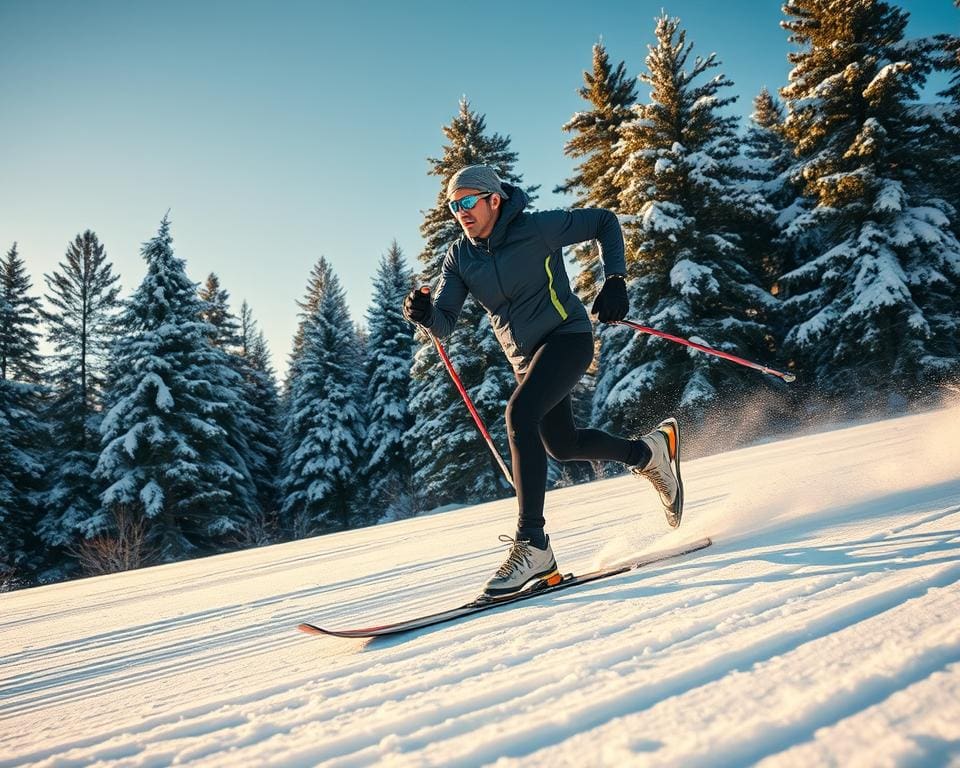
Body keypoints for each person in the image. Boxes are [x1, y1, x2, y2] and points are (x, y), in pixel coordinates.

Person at [403, 164, 683, 598]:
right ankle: (647, 452)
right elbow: (444, 322)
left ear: (494, 200)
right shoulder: (460, 257)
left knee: (520, 413)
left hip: (567, 339)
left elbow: (604, 222)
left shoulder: (537, 228)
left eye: (467, 201)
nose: (460, 211)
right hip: (526, 360)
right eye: (453, 205)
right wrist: (422, 314)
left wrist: (615, 279)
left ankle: (533, 544)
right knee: (562, 444)